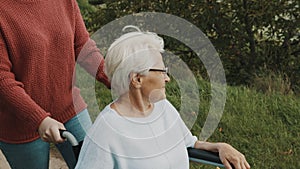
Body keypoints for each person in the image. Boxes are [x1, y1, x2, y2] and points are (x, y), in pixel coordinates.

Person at [75, 25, 250, 169]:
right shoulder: (106, 132)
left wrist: (220, 147)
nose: (167, 78)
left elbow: (190, 144)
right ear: (137, 79)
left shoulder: (164, 108)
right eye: (162, 71)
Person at [0, 0, 110, 169]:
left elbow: (82, 45)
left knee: (95, 163)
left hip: (70, 106)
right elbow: (3, 80)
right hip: (20, 121)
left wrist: (115, 79)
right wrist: (39, 119)